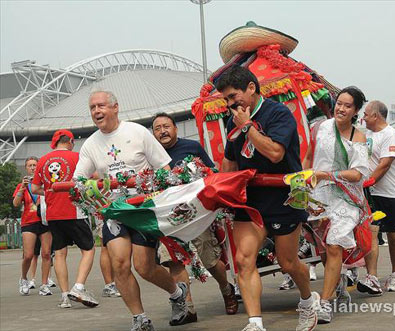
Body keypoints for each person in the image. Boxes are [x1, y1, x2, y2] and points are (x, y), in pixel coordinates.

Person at [73, 89, 188, 331]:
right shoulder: (90, 144)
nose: (96, 111)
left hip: (143, 209)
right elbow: (79, 180)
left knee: (144, 267)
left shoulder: (137, 132)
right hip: (115, 212)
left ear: (115, 107)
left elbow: (165, 168)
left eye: (101, 106)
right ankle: (140, 318)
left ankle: (177, 292)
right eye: (92, 108)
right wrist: (85, 188)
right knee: (120, 264)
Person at [216, 66, 318, 331]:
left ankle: (308, 300)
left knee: (287, 263)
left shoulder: (278, 113)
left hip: (284, 198)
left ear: (251, 88)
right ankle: (255, 323)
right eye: (226, 99)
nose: (230, 104)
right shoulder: (232, 121)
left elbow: (275, 153)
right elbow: (229, 162)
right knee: (244, 259)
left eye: (233, 96)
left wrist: (247, 127)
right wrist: (218, 186)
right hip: (250, 200)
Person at [151, 112, 238, 322]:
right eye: (157, 128)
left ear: (175, 129)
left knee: (210, 260)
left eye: (166, 126)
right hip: (166, 218)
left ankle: (227, 290)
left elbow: (210, 172)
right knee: (173, 261)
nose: (162, 131)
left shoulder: (192, 147)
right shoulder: (150, 154)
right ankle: (187, 308)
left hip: (196, 214)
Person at [302, 86, 369, 323]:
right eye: (339, 103)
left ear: (356, 111)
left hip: (345, 198)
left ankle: (325, 303)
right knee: (322, 250)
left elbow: (358, 174)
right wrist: (303, 180)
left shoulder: (358, 138)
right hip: (318, 196)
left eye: (347, 105)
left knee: (333, 246)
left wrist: (327, 175)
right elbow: (309, 156)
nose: (341, 108)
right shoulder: (320, 128)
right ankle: (338, 283)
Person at [31, 130, 98, 309]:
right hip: (75, 211)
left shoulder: (43, 160)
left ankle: (64, 297)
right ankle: (79, 286)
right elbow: (94, 179)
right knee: (89, 249)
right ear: (69, 141)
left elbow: (36, 187)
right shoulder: (77, 157)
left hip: (53, 214)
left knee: (59, 254)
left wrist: (51, 190)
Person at [358, 100, 395, 294]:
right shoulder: (367, 134)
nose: (363, 118)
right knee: (371, 233)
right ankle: (372, 277)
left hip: (392, 193)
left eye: (366, 115)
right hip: (373, 194)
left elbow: (385, 164)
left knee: (394, 236)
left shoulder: (390, 135)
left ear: (376, 116)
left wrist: (368, 181)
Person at [13, 156, 53, 296]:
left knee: (46, 253)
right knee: (29, 255)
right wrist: (22, 188)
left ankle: (44, 284)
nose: (32, 168)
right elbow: (16, 204)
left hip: (44, 221)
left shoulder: (44, 183)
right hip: (29, 222)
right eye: (29, 165)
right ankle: (24, 278)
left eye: (35, 165)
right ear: (26, 168)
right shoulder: (22, 185)